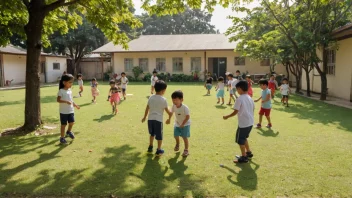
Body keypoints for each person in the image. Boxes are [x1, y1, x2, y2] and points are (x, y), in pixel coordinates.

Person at [223, 81, 255, 163]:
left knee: (240, 140)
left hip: (243, 124)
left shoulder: (239, 99)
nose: (237, 91)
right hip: (250, 123)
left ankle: (243, 157)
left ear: (240, 89)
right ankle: (248, 152)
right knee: (244, 138)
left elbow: (235, 111)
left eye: (237, 89)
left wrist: (227, 116)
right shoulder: (249, 97)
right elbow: (253, 109)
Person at [142, 80, 172, 156]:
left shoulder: (151, 98)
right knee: (159, 136)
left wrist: (145, 117)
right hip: (158, 120)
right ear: (163, 90)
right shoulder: (163, 99)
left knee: (152, 134)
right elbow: (167, 111)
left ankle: (150, 146)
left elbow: (147, 108)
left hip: (150, 119)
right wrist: (170, 115)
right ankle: (159, 150)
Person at [57, 74, 80, 144]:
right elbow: (58, 100)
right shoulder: (61, 91)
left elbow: (71, 99)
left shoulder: (70, 90)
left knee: (72, 122)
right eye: (70, 82)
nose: (71, 84)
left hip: (70, 110)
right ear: (64, 82)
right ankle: (62, 138)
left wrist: (75, 105)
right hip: (63, 112)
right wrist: (66, 102)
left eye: (72, 82)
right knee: (63, 125)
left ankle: (69, 131)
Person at [168, 90, 191, 157]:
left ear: (181, 100)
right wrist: (169, 119)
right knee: (175, 135)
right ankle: (177, 144)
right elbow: (171, 113)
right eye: (173, 100)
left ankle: (186, 150)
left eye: (176, 100)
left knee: (184, 137)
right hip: (177, 123)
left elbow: (187, 117)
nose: (174, 102)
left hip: (185, 124)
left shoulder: (185, 107)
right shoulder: (174, 106)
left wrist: (183, 124)